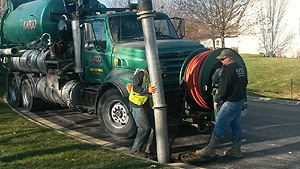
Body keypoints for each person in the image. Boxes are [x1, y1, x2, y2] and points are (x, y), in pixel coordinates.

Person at [196, 49, 248, 158]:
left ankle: (209, 150)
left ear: (229, 58)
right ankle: (236, 150)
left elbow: (223, 88)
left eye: (223, 59)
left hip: (230, 103)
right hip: (239, 102)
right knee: (236, 125)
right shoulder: (240, 68)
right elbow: (245, 83)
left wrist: (217, 100)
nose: (222, 62)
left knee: (219, 125)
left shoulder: (228, 70)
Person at [129, 67, 156, 158]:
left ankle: (150, 149)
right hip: (138, 105)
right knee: (144, 128)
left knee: (154, 127)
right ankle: (136, 150)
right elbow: (135, 88)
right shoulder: (141, 74)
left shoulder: (155, 76)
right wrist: (147, 91)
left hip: (148, 105)